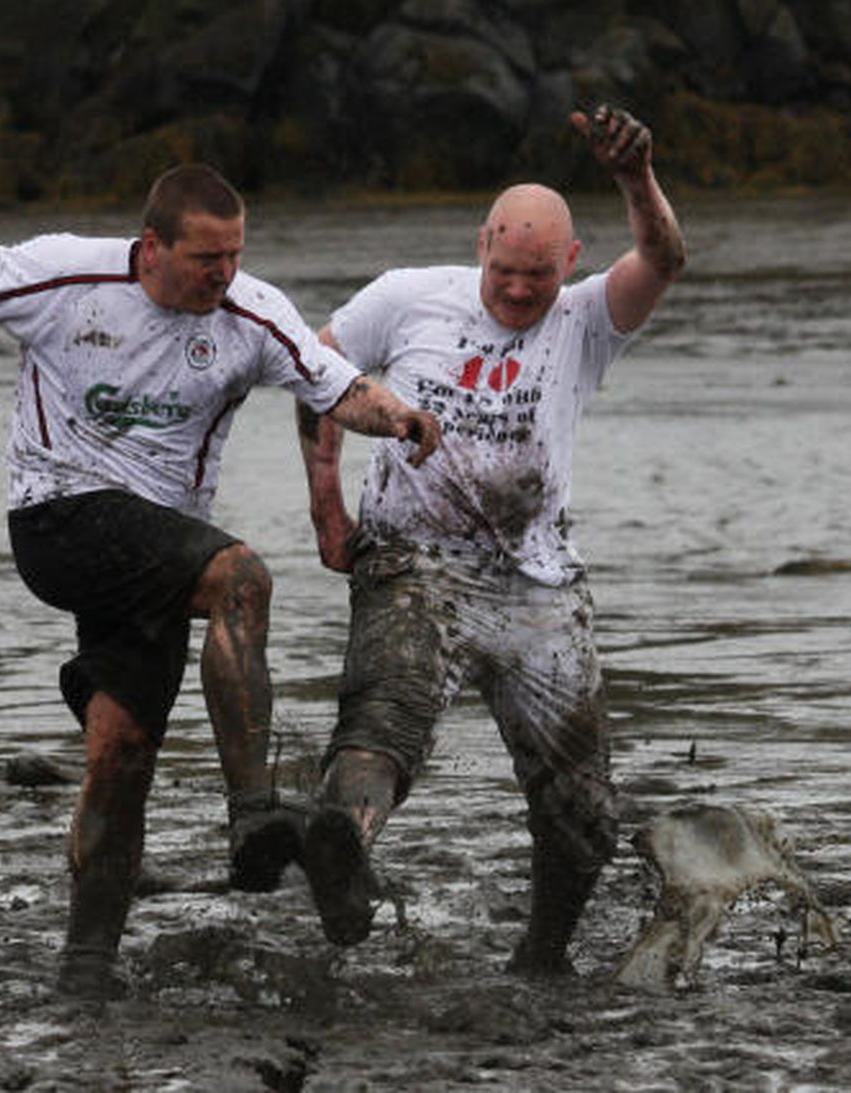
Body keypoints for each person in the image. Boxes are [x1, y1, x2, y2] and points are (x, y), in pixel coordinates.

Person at [0, 163, 442, 998]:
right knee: (241, 577)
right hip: (57, 517)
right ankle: (253, 811)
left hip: (154, 550)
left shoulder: (253, 312)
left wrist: (397, 417)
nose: (223, 275)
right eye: (205, 258)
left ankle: (87, 962)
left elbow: (336, 389)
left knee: (120, 750)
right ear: (152, 249)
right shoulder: (66, 273)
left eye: (234, 256)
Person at [293, 105, 685, 975]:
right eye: (504, 271)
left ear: (570, 263)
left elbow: (663, 258)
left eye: (536, 276)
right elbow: (316, 372)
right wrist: (327, 506)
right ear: (481, 246)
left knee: (584, 811)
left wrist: (634, 177)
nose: (516, 291)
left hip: (539, 582)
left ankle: (541, 958)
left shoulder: (586, 319)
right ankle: (341, 846)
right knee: (385, 717)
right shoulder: (406, 297)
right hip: (413, 561)